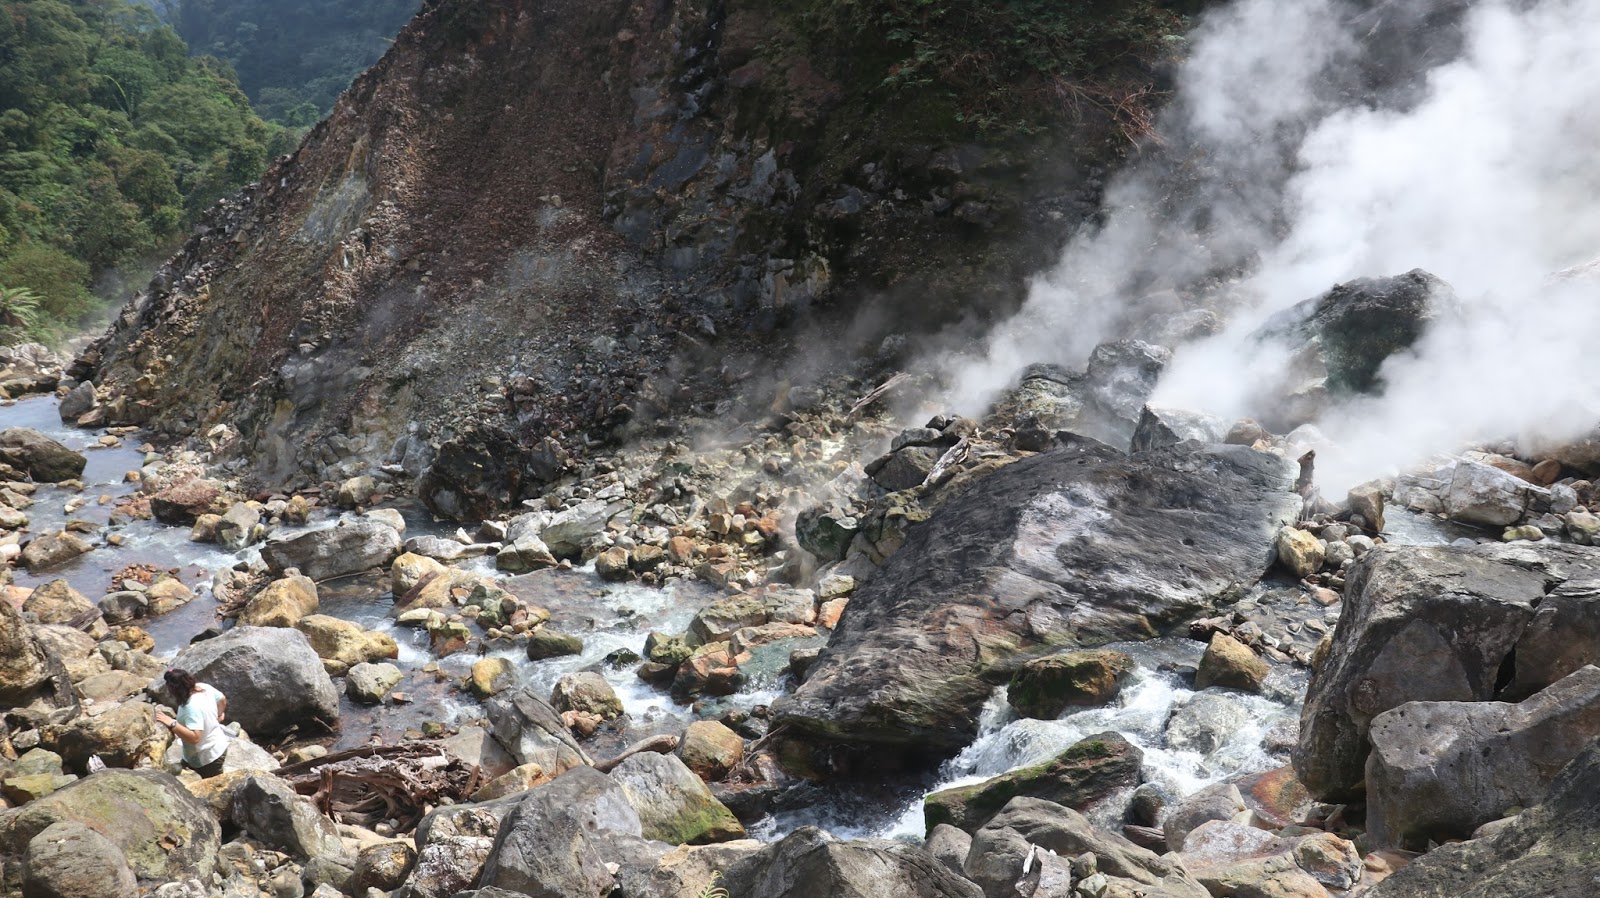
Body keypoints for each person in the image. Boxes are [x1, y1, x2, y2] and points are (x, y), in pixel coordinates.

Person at [154, 669, 230, 777]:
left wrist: (172, 723)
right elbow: (222, 699)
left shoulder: (191, 707)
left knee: (210, 788)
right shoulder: (203, 687)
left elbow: (195, 738)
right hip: (218, 743)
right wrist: (218, 715)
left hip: (206, 757)